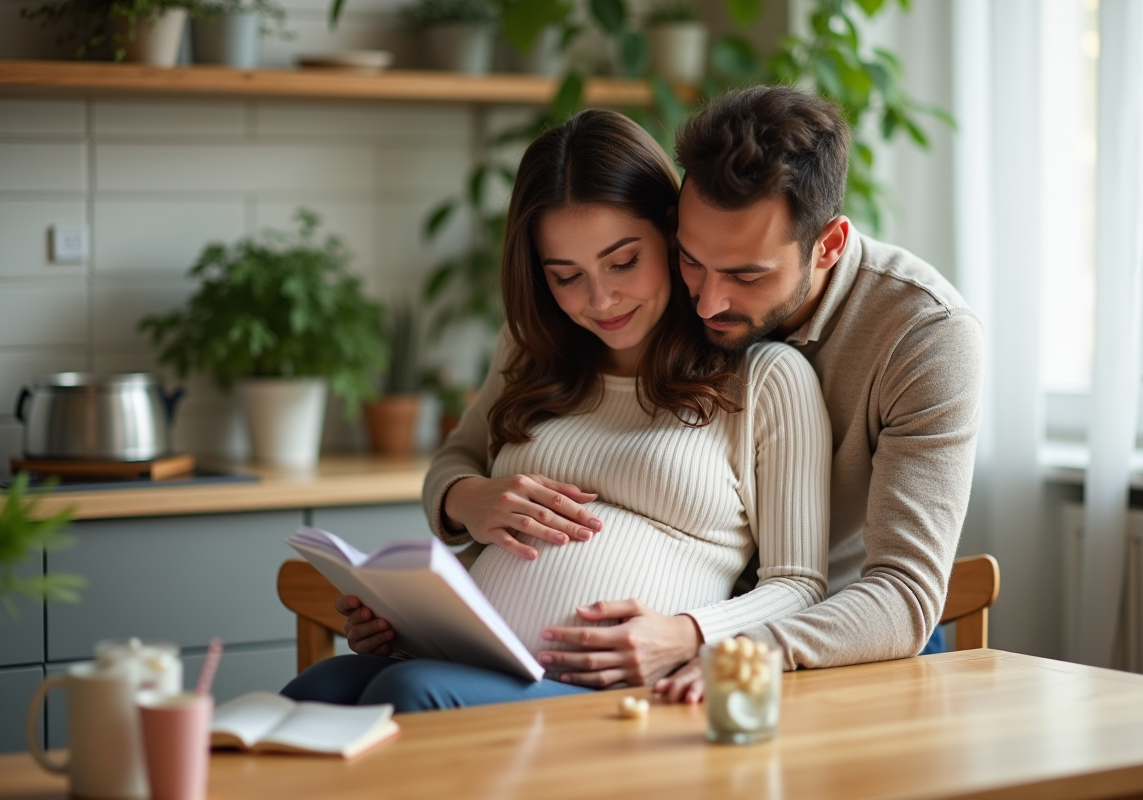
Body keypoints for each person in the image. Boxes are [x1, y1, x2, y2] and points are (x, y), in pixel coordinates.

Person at [282, 108, 831, 711]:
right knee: (316, 688)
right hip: (463, 658)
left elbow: (800, 585)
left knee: (409, 693)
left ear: (675, 238)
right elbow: (455, 459)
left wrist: (684, 636)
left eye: (623, 262)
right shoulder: (530, 350)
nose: (600, 299)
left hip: (612, 697)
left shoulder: (767, 380)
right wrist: (466, 499)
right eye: (566, 276)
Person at [651, 85, 985, 693]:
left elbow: (905, 596)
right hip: (682, 625)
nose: (706, 301)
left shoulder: (927, 334)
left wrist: (730, 647)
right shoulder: (673, 283)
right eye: (691, 260)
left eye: (747, 275)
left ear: (828, 243)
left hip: (834, 640)